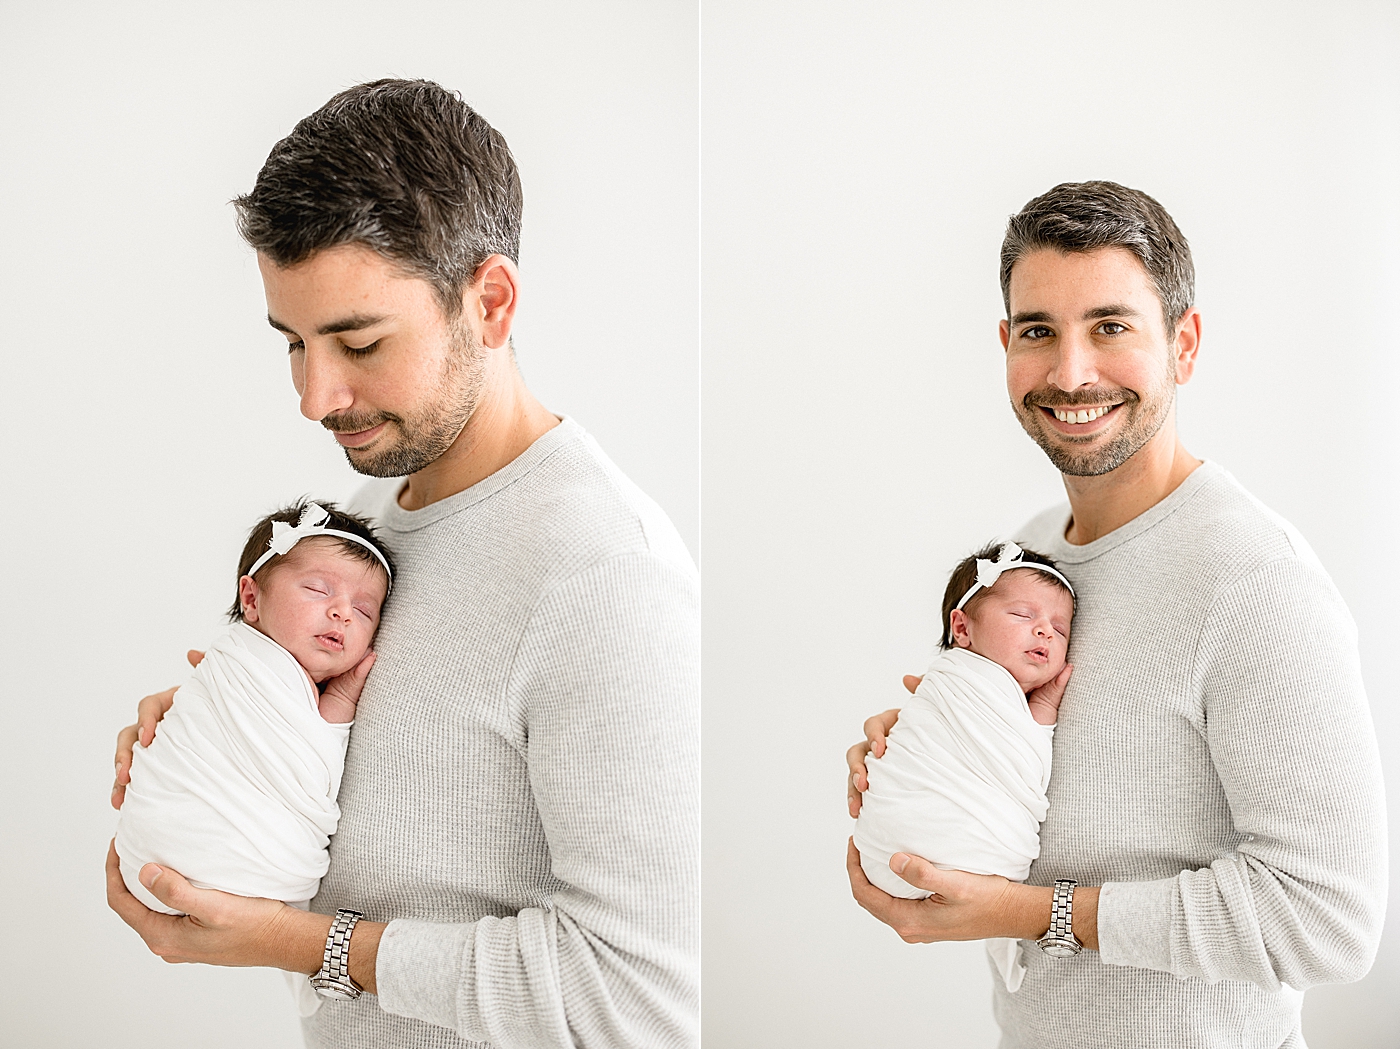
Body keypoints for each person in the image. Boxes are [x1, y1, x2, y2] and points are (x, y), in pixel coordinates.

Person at [108, 79, 699, 1049]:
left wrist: (300, 943)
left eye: (358, 340)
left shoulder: (603, 577)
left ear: (491, 302)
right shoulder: (363, 525)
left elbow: (639, 995)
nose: (314, 395)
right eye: (293, 343)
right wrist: (235, 736)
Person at [845, 181, 1386, 1048]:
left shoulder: (1257, 584)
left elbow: (1328, 919)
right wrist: (923, 759)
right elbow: (1022, 784)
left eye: (1111, 326)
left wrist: (1037, 912)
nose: (1070, 373)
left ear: (1185, 341)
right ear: (1005, 345)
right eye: (1038, 331)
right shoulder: (1023, 563)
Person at [115, 500, 393, 1017]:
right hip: (171, 829)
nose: (342, 612)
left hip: (250, 878)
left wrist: (343, 702)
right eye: (318, 590)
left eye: (365, 611)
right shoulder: (232, 666)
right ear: (251, 598)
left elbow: (307, 753)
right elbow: (258, 732)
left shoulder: (299, 689)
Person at [852, 540, 1075, 993]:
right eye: (1022, 616)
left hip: (977, 870)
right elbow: (935, 738)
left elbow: (1023, 759)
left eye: (1060, 628)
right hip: (899, 830)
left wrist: (1046, 710)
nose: (1045, 633)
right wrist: (896, 735)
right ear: (963, 628)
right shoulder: (949, 681)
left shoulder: (1020, 702)